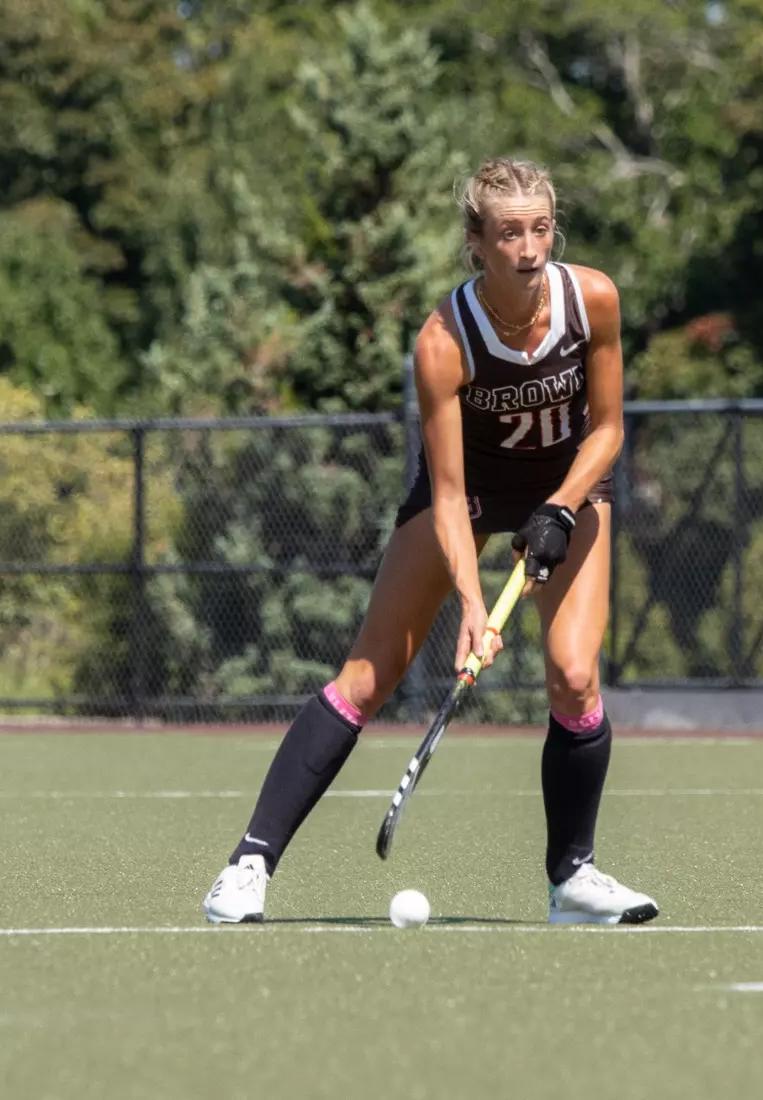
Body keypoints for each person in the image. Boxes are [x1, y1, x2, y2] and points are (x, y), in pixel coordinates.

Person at [203, 157, 658, 926]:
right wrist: (474, 607)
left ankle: (572, 878)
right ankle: (248, 864)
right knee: (365, 677)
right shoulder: (444, 340)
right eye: (509, 233)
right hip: (471, 491)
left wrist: (559, 506)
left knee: (576, 678)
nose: (529, 248)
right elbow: (449, 496)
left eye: (541, 228)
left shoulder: (595, 300)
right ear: (476, 243)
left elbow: (608, 429)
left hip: (572, 482)